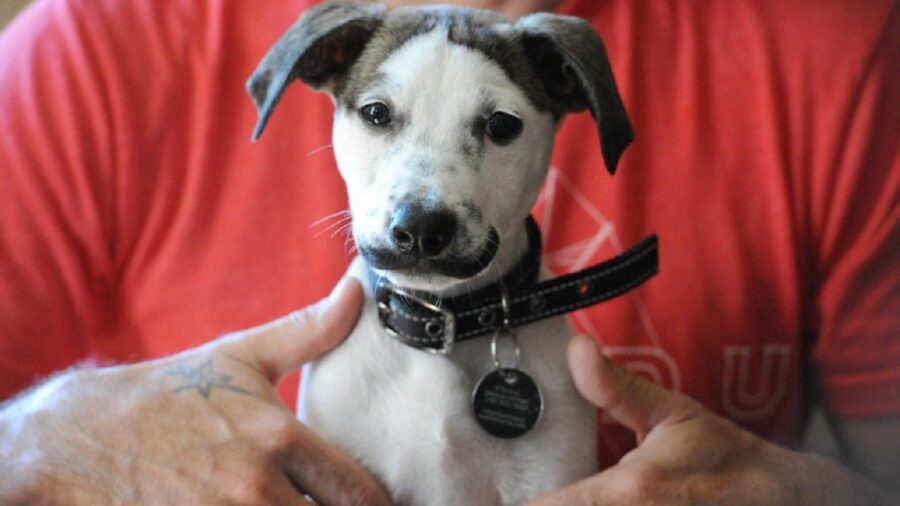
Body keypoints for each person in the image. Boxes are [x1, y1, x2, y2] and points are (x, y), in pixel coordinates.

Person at [0, 0, 897, 503]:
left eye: (499, 127)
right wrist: (43, 440)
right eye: (378, 116)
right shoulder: (82, 51)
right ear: (321, 83)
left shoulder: (841, 51)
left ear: (568, 106)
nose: (426, 202)